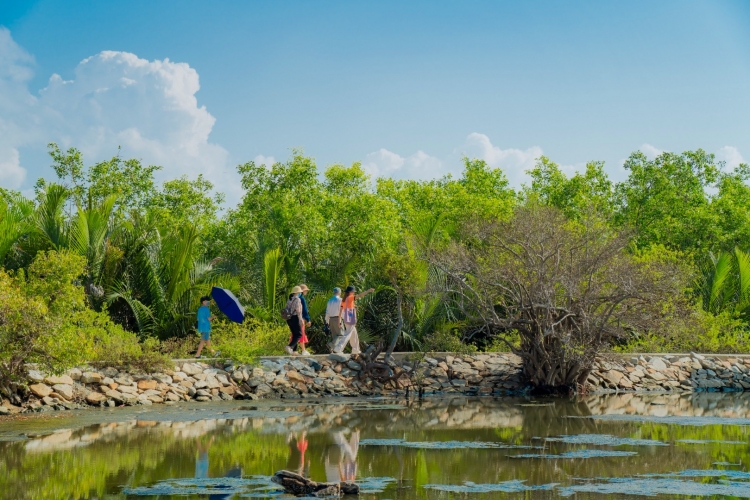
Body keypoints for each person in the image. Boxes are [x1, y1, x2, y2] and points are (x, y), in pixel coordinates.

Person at [332, 286, 375, 355]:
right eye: (353, 292)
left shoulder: (344, 299)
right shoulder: (350, 297)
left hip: (346, 317)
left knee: (354, 334)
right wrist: (368, 291)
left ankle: (356, 350)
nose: (353, 293)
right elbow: (360, 295)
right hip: (350, 316)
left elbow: (340, 311)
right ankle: (338, 348)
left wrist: (339, 321)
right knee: (348, 333)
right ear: (350, 292)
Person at [284, 286, 304, 355]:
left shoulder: (289, 299)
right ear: (298, 292)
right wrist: (301, 320)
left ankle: (294, 351)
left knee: (294, 334)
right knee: (299, 334)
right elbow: (299, 311)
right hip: (295, 318)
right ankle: (290, 346)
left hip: (289, 318)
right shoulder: (297, 299)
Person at [325, 287, 343, 352]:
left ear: (333, 292)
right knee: (341, 335)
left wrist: (327, 322)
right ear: (339, 293)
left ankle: (332, 350)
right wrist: (341, 320)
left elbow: (327, 312)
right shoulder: (340, 300)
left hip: (330, 319)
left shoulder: (329, 300)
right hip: (337, 319)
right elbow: (341, 311)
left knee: (335, 336)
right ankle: (331, 345)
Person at [298, 284, 311, 356]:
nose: (306, 292)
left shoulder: (293, 298)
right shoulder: (302, 299)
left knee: (296, 334)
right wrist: (308, 319)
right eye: (306, 290)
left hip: (293, 319)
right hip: (300, 319)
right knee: (302, 334)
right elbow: (305, 310)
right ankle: (303, 350)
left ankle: (293, 350)